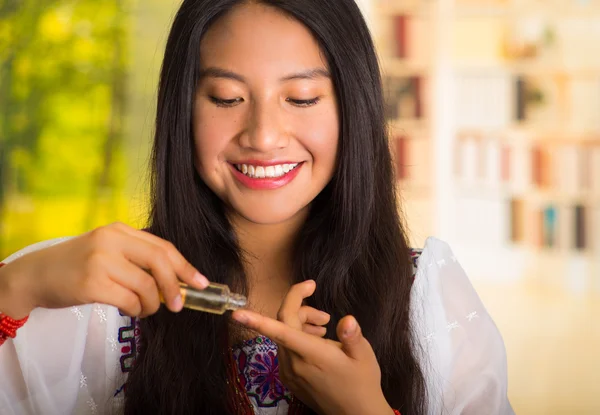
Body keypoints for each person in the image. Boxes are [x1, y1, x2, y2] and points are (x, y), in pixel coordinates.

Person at [0, 0, 514, 414]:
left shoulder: (429, 296)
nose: (264, 136)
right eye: (226, 98)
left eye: (303, 97)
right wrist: (14, 286)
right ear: (181, 110)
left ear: (352, 108)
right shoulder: (93, 302)